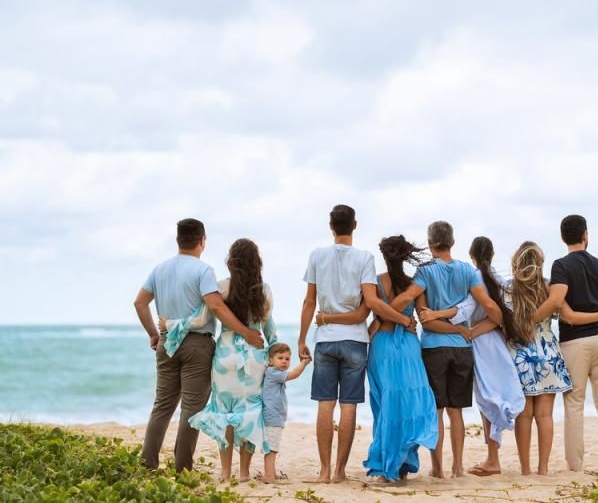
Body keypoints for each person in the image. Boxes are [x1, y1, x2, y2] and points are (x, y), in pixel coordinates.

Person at [298, 205, 419, 483]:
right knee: (349, 405)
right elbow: (369, 305)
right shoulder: (365, 259)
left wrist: (302, 337)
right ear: (355, 225)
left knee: (325, 404)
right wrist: (402, 319)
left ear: (330, 225)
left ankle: (324, 470)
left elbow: (309, 302)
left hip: (326, 340)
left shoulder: (316, 256)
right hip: (354, 340)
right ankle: (340, 471)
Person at [133, 220, 264, 473]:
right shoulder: (203, 270)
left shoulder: (159, 269)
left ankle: (147, 465)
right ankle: (182, 469)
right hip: (196, 345)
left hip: (166, 342)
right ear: (202, 240)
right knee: (191, 409)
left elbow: (140, 303)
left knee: (162, 406)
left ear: (178, 240)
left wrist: (153, 334)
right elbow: (215, 306)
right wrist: (246, 332)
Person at [386, 221, 503, 478]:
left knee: (436, 410)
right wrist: (502, 323)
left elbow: (408, 300)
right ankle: (458, 467)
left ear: (430, 243)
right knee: (456, 411)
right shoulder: (467, 271)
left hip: (434, 347)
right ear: (452, 241)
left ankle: (437, 468)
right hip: (462, 349)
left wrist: (382, 313)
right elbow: (487, 304)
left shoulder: (425, 271)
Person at [321, 235, 439, 482]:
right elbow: (424, 315)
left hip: (382, 346)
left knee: (385, 405)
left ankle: (387, 466)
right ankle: (404, 463)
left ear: (384, 256)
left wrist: (379, 320)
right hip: (408, 346)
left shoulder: (375, 283)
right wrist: (410, 320)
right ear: (406, 256)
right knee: (408, 403)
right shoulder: (414, 284)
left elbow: (367, 312)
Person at [169, 238, 276, 482]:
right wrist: (275, 350)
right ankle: (245, 473)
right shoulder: (265, 290)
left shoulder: (222, 288)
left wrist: (171, 325)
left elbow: (199, 319)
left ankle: (226, 473)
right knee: (249, 413)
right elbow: (269, 327)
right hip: (254, 358)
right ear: (257, 263)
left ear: (231, 263)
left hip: (225, 357)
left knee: (223, 414)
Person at [502, 241, 598, 475]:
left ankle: (525, 469)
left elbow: (499, 324)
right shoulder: (550, 288)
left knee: (525, 415)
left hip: (519, 357)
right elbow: (570, 316)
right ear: (540, 264)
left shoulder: (506, 289)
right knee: (544, 415)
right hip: (548, 355)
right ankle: (543, 468)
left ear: (516, 263)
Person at [420, 236, 525, 477]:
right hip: (497, 342)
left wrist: (468, 331)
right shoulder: (499, 279)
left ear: (472, 255)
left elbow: (472, 309)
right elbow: (500, 315)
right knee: (492, 396)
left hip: (478, 342)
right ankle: (491, 456)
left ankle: (492, 458)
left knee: (486, 400)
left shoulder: (476, 277)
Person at [533, 215, 598, 472]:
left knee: (574, 403)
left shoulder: (561, 265)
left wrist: (530, 320)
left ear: (562, 237)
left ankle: (575, 466)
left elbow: (557, 300)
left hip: (574, 342)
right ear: (585, 235)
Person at [262, 343, 311, 484]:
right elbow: (294, 374)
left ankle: (271, 473)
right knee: (272, 449)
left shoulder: (273, 373)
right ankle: (269, 476)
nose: (284, 361)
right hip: (273, 417)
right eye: (280, 358)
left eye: (287, 359)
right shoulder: (273, 372)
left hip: (275, 416)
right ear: (270, 361)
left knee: (273, 446)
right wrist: (304, 363)